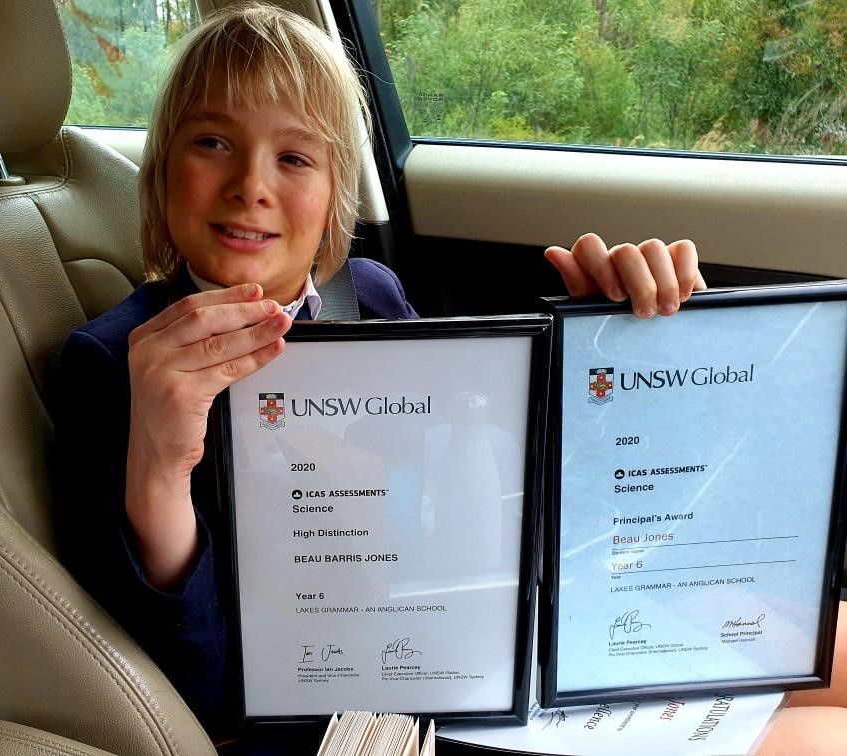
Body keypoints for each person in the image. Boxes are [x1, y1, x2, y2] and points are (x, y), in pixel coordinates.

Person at [52, 2, 846, 749]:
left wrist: (609, 351)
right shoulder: (114, 366)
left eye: (294, 156)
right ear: (160, 172)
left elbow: (491, 494)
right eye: (211, 142)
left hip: (484, 629)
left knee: (816, 636)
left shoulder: (369, 294)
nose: (250, 184)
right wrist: (158, 467)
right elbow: (198, 696)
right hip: (357, 717)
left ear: (334, 198)